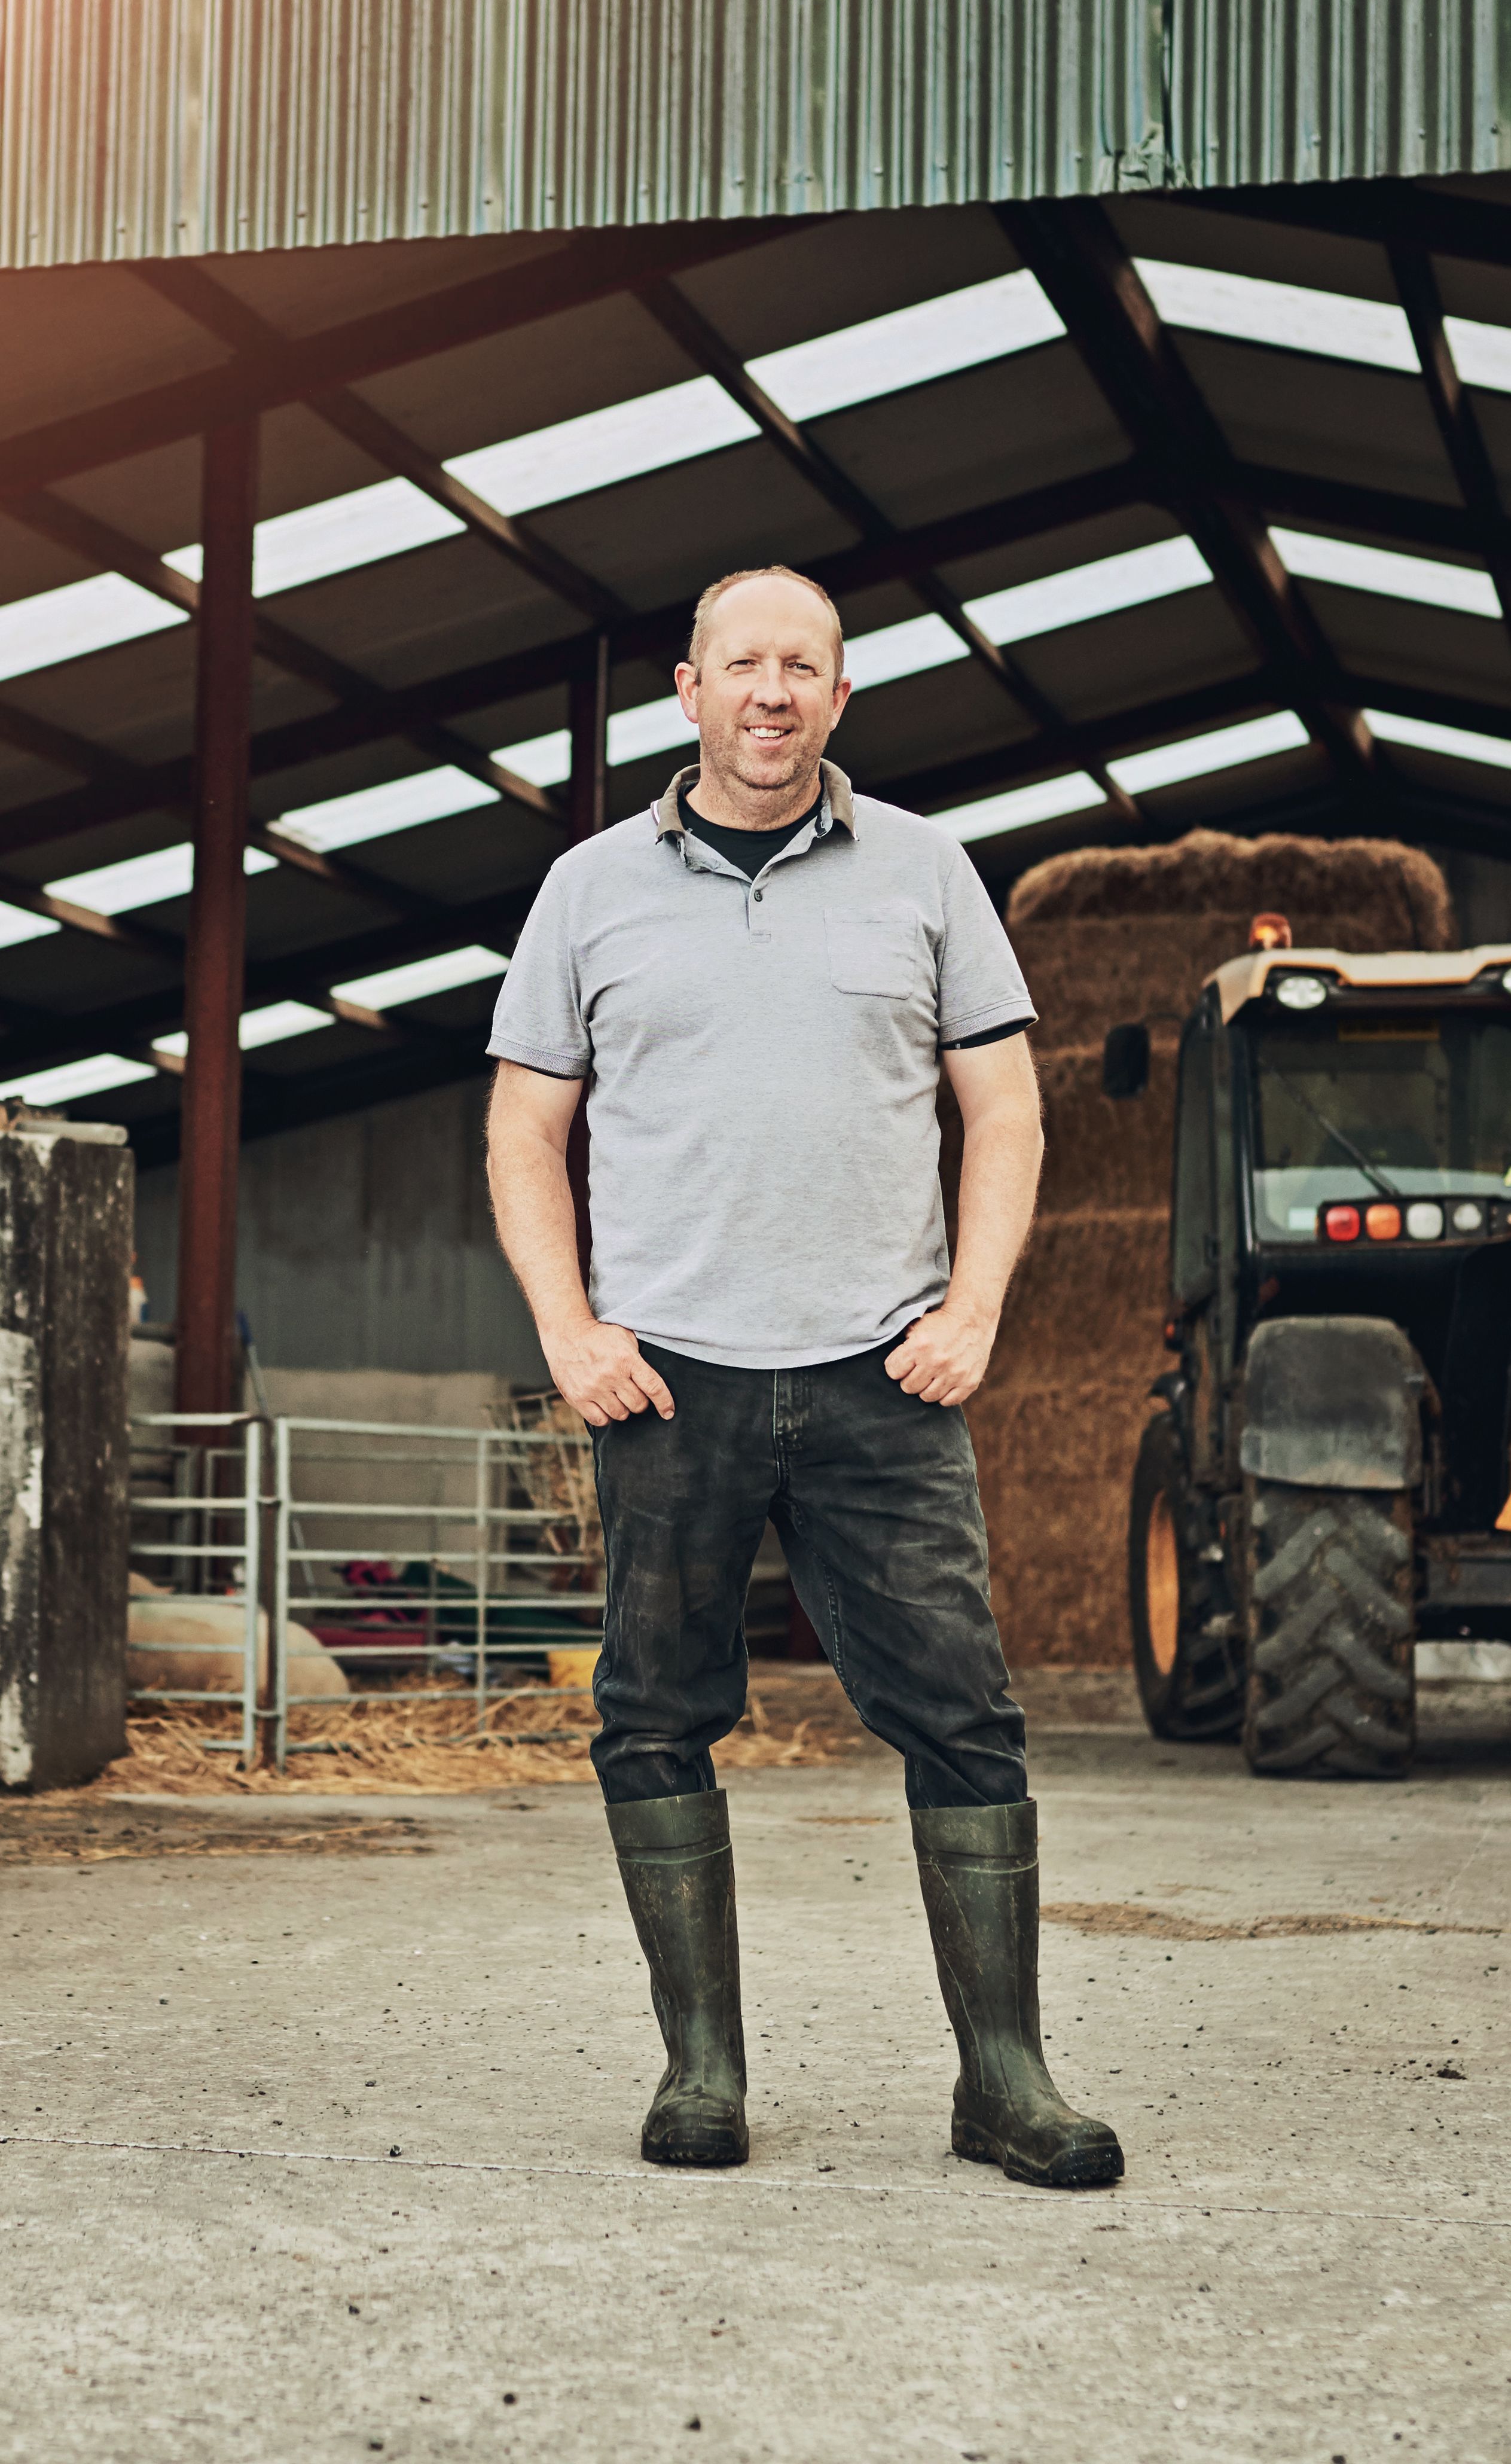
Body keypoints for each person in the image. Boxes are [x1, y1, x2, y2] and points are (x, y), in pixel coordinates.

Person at [483, 564, 1119, 2189]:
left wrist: (973, 1308)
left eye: (804, 668)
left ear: (839, 699)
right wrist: (570, 1329)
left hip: (880, 1384)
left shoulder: (923, 871)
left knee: (965, 1725)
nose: (771, 693)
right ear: (686, 693)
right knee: (652, 1722)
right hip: (668, 1384)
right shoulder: (588, 890)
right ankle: (699, 2071)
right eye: (742, 664)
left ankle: (1003, 2081)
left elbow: (1007, 1113)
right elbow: (522, 1129)